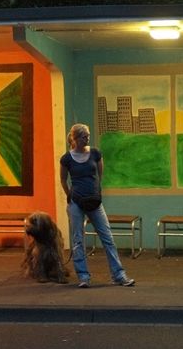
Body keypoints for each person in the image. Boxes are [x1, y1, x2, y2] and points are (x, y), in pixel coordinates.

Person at [60, 123, 135, 288]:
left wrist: (95, 190)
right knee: (78, 240)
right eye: (84, 136)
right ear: (75, 138)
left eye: (88, 136)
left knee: (108, 238)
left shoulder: (95, 154)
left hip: (94, 201)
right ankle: (83, 277)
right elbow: (63, 180)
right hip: (76, 202)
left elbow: (99, 175)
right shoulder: (67, 159)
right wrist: (69, 195)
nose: (87, 139)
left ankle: (119, 274)